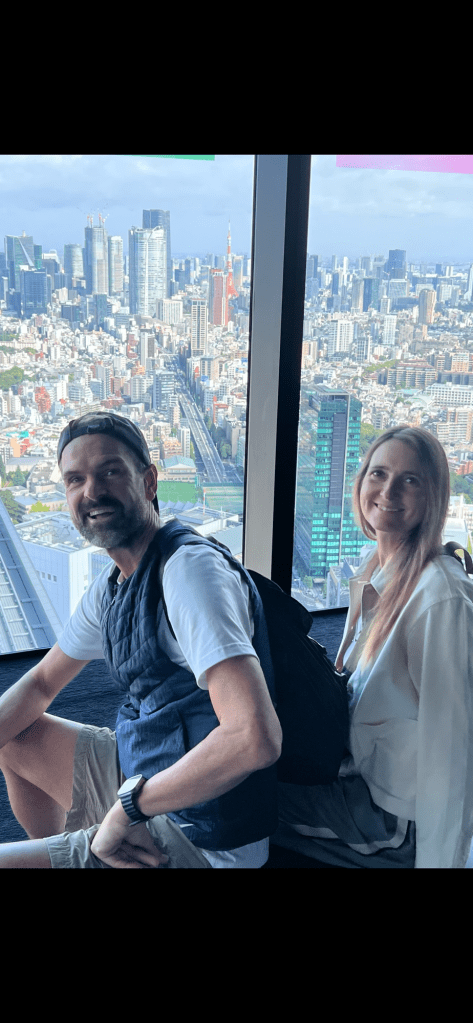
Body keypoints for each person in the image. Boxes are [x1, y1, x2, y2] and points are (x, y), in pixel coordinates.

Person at [0, 412, 282, 868]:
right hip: (149, 767)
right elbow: (40, 684)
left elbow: (255, 737)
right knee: (16, 734)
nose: (92, 492)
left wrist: (128, 809)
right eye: (75, 480)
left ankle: (97, 846)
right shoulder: (114, 585)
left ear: (149, 482)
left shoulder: (188, 573)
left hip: (203, 832)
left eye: (110, 471)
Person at [274, 425, 473, 868]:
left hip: (395, 820)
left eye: (410, 480)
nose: (388, 490)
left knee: (231, 807)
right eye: (379, 474)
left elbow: (455, 752)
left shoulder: (441, 598)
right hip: (358, 776)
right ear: (361, 482)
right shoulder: (377, 570)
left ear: (434, 496)